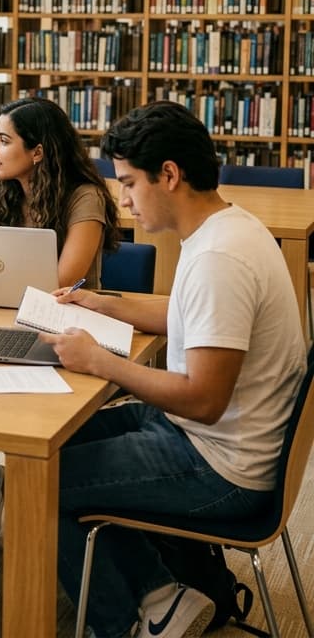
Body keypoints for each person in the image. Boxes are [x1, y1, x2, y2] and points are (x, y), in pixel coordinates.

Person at [42, 102, 306, 638]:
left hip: (223, 464)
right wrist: (102, 303)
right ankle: (162, 594)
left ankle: (128, 625)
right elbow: (190, 314)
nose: (123, 201)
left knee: (42, 485)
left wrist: (99, 360)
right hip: (216, 436)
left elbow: (203, 398)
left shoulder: (219, 259)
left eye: (130, 183)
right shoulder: (224, 228)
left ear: (169, 174)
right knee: (54, 443)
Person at [0, 96, 121, 544]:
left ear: (38, 151)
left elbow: (64, 279)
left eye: (4, 140)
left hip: (64, 335)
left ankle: (42, 524)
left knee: (27, 419)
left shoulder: (84, 196)